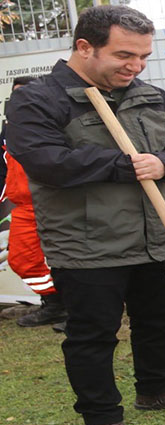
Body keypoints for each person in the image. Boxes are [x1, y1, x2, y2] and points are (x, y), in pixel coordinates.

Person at [5, 5, 165, 425]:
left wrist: (163, 162)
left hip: (159, 234)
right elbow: (46, 161)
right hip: (87, 241)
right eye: (124, 55)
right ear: (84, 47)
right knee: (93, 332)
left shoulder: (150, 96)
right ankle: (101, 419)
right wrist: (126, 166)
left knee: (159, 319)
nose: (136, 66)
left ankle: (158, 389)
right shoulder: (39, 99)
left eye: (143, 56)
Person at [1, 75, 69, 328]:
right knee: (21, 260)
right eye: (16, 94)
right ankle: (55, 304)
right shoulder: (9, 127)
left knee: (71, 260)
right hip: (24, 206)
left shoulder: (59, 120)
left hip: (58, 202)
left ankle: (78, 309)